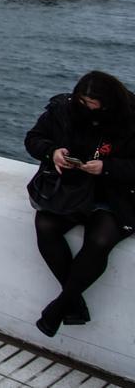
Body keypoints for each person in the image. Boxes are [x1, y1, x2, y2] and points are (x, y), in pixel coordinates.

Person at [26, 71, 134, 337]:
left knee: (99, 240)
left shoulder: (131, 119)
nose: (85, 108)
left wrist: (107, 168)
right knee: (45, 224)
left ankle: (60, 306)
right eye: (82, 102)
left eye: (91, 104)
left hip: (117, 195)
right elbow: (33, 139)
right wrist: (53, 152)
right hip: (72, 191)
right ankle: (73, 303)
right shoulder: (63, 110)